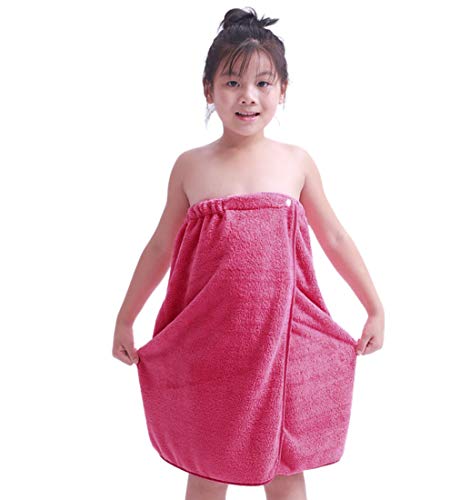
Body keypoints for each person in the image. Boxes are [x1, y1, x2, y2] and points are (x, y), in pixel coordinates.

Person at [113, 7, 384, 500]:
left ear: (283, 90)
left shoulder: (296, 162)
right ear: (208, 90)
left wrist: (374, 307)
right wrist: (126, 318)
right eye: (233, 82)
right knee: (207, 467)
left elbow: (335, 237)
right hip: (210, 347)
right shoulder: (190, 167)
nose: (247, 96)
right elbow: (160, 246)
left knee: (284, 470)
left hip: (284, 343)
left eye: (262, 83)